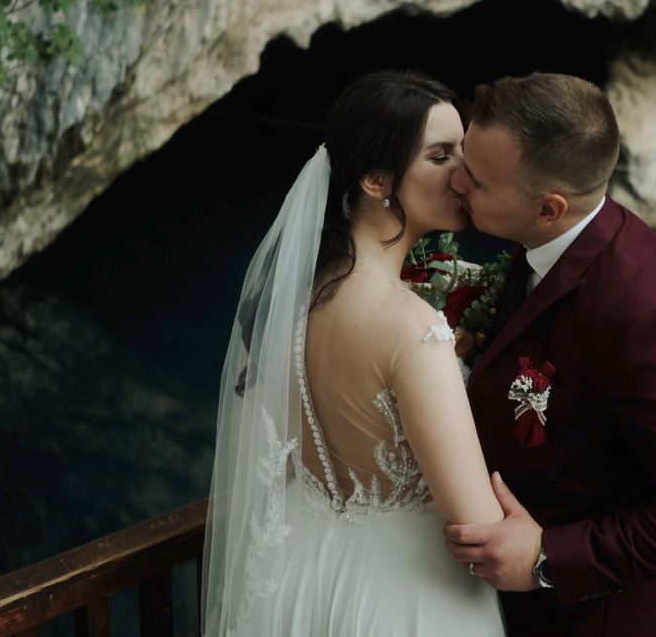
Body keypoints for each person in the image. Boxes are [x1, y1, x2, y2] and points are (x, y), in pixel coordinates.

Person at [443, 72, 656, 636]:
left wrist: (546, 559)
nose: (457, 181)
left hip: (605, 620)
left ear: (549, 208)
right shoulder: (543, 239)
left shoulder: (643, 314)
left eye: (479, 181)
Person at [201, 71, 505, 636]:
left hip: (300, 572)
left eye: (463, 150)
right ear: (374, 179)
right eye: (440, 156)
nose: (465, 174)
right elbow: (478, 525)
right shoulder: (414, 328)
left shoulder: (295, 294)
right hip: (407, 596)